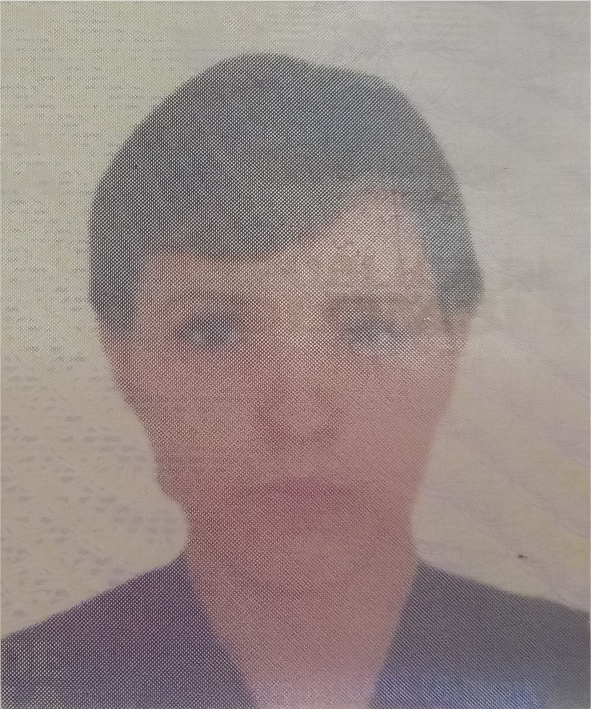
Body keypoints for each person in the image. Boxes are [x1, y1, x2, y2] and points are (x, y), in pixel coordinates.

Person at [2, 52, 590, 709]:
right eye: (212, 331)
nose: (297, 417)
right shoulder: (26, 687)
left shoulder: (572, 675)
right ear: (125, 361)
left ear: (453, 344)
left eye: (371, 330)